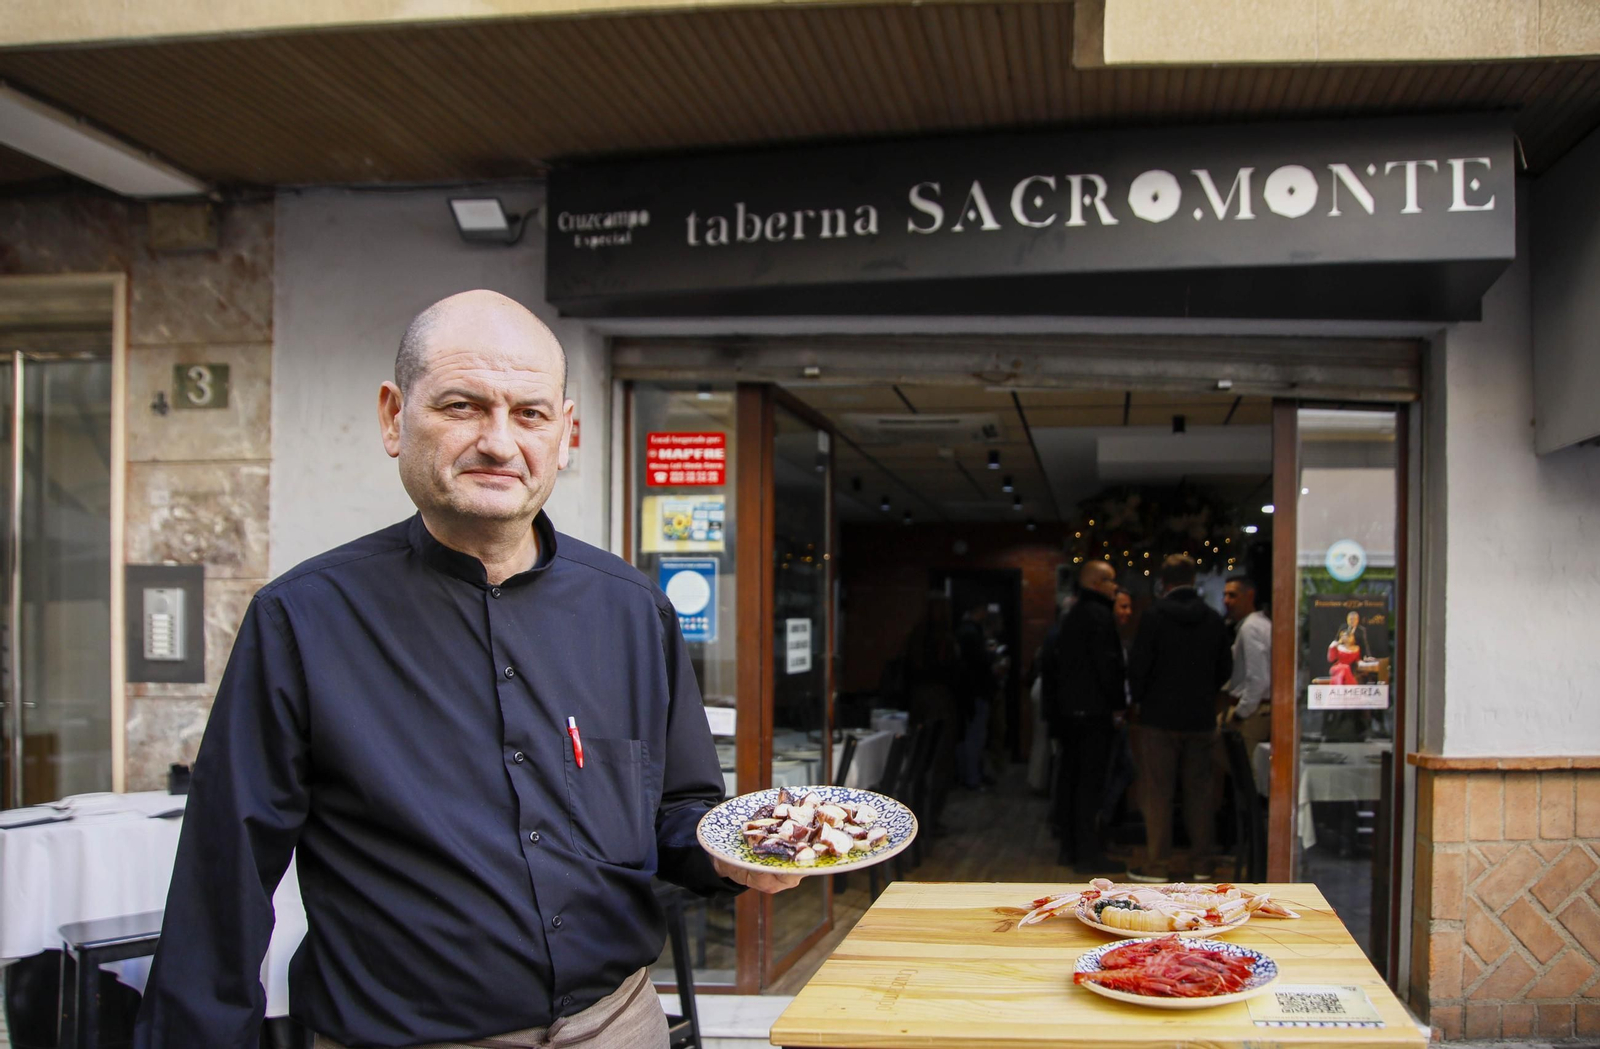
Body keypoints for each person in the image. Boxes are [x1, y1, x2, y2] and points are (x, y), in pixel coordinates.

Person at [133, 291, 797, 1049]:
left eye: (530, 413)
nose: (499, 441)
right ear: (393, 416)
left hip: (621, 1024)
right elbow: (224, 878)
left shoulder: (632, 609)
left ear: (566, 433)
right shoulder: (302, 620)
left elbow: (677, 809)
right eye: (462, 405)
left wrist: (735, 849)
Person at [1127, 554, 1232, 883]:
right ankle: (1202, 864)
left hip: (1159, 717)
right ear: (1193, 578)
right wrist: (1205, 695)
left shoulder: (1153, 617)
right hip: (1200, 717)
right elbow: (1225, 670)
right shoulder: (1213, 619)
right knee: (1199, 793)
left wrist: (1143, 699)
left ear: (1165, 582)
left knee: (1158, 793)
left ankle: (1158, 865)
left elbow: (1139, 667)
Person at [1050, 561, 1126, 873]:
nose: (1115, 587)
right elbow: (1108, 666)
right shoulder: (1099, 615)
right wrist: (1118, 704)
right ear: (1096, 583)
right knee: (1090, 784)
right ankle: (1087, 853)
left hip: (1069, 712)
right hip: (1094, 712)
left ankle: (1069, 848)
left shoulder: (1073, 614)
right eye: (1110, 581)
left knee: (1070, 780)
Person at [1222, 576, 1273, 754]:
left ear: (1249, 596)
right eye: (1225, 595)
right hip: (1256, 708)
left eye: (1232, 595)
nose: (1226, 601)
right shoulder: (1260, 624)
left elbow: (1258, 678)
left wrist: (1241, 712)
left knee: (1247, 771)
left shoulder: (1251, 627)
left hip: (1253, 712)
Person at [955, 604, 995, 789]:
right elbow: (980, 662)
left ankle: (968, 775)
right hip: (976, 691)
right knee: (975, 736)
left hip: (967, 691)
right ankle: (972, 778)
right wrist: (990, 656)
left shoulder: (963, 631)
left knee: (969, 735)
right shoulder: (972, 633)